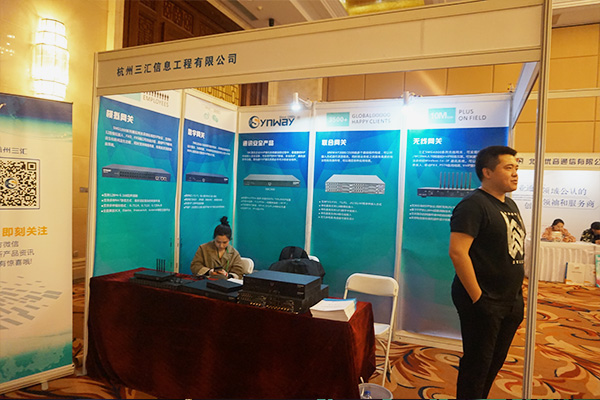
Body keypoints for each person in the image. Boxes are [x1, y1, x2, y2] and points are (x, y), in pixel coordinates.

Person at [448, 145, 526, 399]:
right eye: (508, 167)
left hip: (510, 300)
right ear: (487, 172)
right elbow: (458, 252)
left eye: (516, 168)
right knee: (477, 364)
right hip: (483, 300)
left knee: (494, 362)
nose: (515, 173)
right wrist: (478, 298)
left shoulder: (509, 204)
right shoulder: (473, 205)